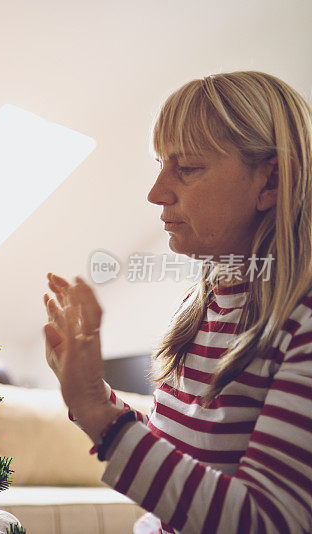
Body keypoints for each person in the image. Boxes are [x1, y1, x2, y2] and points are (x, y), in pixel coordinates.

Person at [42, 71, 312, 533]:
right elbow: (186, 458)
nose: (155, 192)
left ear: (270, 181)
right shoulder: (206, 302)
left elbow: (268, 522)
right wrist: (89, 389)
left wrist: (97, 412)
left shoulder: (301, 324)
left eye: (186, 168)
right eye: (161, 164)